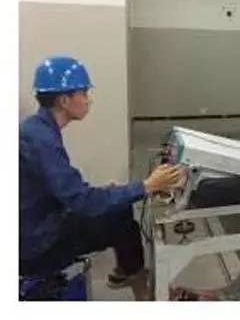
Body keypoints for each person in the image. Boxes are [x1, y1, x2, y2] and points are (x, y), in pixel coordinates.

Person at [19, 55, 181, 300]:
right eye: (84, 93)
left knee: (119, 207)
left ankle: (126, 271)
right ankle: (144, 292)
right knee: (121, 223)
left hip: (35, 226)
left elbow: (61, 190)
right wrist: (147, 186)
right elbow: (82, 201)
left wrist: (114, 194)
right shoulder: (42, 141)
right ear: (64, 100)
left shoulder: (35, 129)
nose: (88, 100)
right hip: (37, 246)